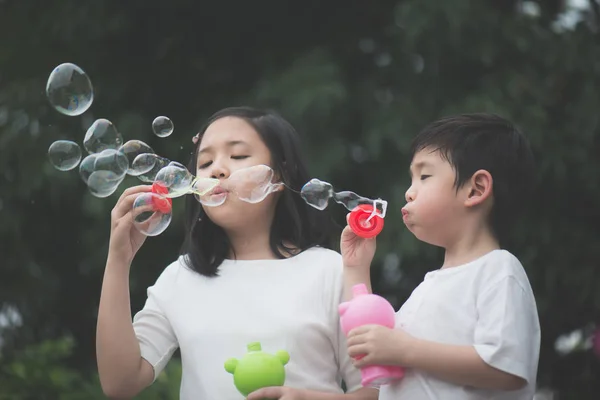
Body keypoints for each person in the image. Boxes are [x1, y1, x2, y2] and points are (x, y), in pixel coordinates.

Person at [95, 106, 378, 400]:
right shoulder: (180, 278)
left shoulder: (330, 269)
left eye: (238, 156)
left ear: (278, 176)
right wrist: (119, 259)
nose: (217, 169)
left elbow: (373, 391)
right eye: (205, 163)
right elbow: (120, 383)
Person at [341, 113, 541, 399]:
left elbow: (506, 368)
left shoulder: (498, 270)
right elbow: (371, 355)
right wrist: (355, 268)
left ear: (476, 189)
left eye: (424, 176)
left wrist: (405, 349)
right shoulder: (427, 289)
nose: (409, 193)